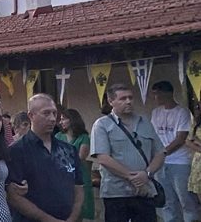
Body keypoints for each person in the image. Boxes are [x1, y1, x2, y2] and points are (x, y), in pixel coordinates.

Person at [91, 83, 164, 222]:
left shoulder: (145, 122)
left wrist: (146, 174)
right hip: (116, 192)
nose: (128, 101)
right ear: (111, 101)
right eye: (123, 98)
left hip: (145, 191)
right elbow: (103, 158)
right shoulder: (102, 125)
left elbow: (160, 153)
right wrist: (133, 178)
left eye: (130, 97)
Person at [7, 94, 84, 222]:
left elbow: (78, 187)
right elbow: (14, 197)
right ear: (31, 115)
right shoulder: (17, 151)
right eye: (46, 113)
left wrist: (72, 218)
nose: (53, 118)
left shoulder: (68, 150)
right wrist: (48, 220)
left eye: (54, 113)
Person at [150, 81, 199, 222]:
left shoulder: (182, 112)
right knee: (167, 200)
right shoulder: (156, 112)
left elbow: (181, 138)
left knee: (186, 200)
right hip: (160, 163)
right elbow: (153, 135)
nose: (155, 97)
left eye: (157, 94)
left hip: (179, 162)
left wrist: (163, 152)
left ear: (167, 93)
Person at [55, 108, 95, 221]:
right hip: (62, 177)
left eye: (63, 119)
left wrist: (62, 158)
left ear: (72, 120)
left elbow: (81, 157)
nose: (60, 122)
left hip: (80, 176)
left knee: (82, 208)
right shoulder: (58, 136)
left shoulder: (83, 137)